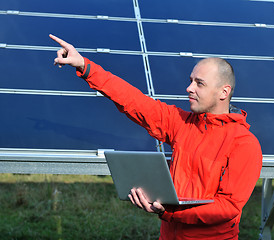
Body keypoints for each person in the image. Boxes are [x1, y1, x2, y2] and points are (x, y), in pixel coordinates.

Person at [49, 34, 262, 240]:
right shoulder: (182, 124)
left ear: (224, 92)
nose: (189, 88)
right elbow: (134, 101)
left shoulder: (244, 144)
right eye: (190, 81)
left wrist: (169, 211)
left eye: (200, 83)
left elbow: (228, 207)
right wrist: (85, 66)